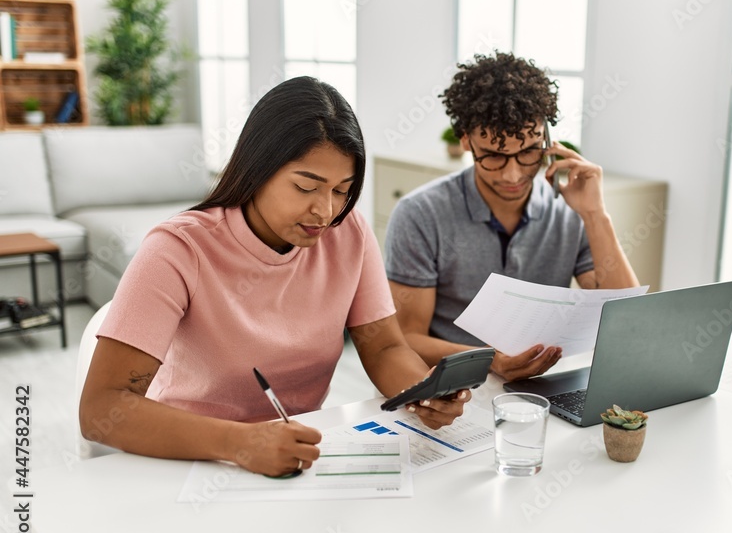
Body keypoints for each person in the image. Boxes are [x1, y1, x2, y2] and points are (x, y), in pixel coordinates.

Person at [80, 76, 471, 478]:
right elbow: (102, 408)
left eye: (342, 190)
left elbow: (386, 348)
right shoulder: (178, 250)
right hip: (189, 460)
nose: (326, 211)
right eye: (306, 187)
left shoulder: (349, 233)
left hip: (293, 459)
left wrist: (421, 392)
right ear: (258, 168)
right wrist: (240, 443)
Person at [384, 52, 640, 381]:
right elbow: (406, 336)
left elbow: (627, 321)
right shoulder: (420, 214)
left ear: (547, 139)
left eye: (528, 152)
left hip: (543, 387)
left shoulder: (570, 210)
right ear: (466, 140)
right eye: (493, 156)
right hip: (456, 388)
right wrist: (491, 360)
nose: (512, 175)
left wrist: (596, 215)